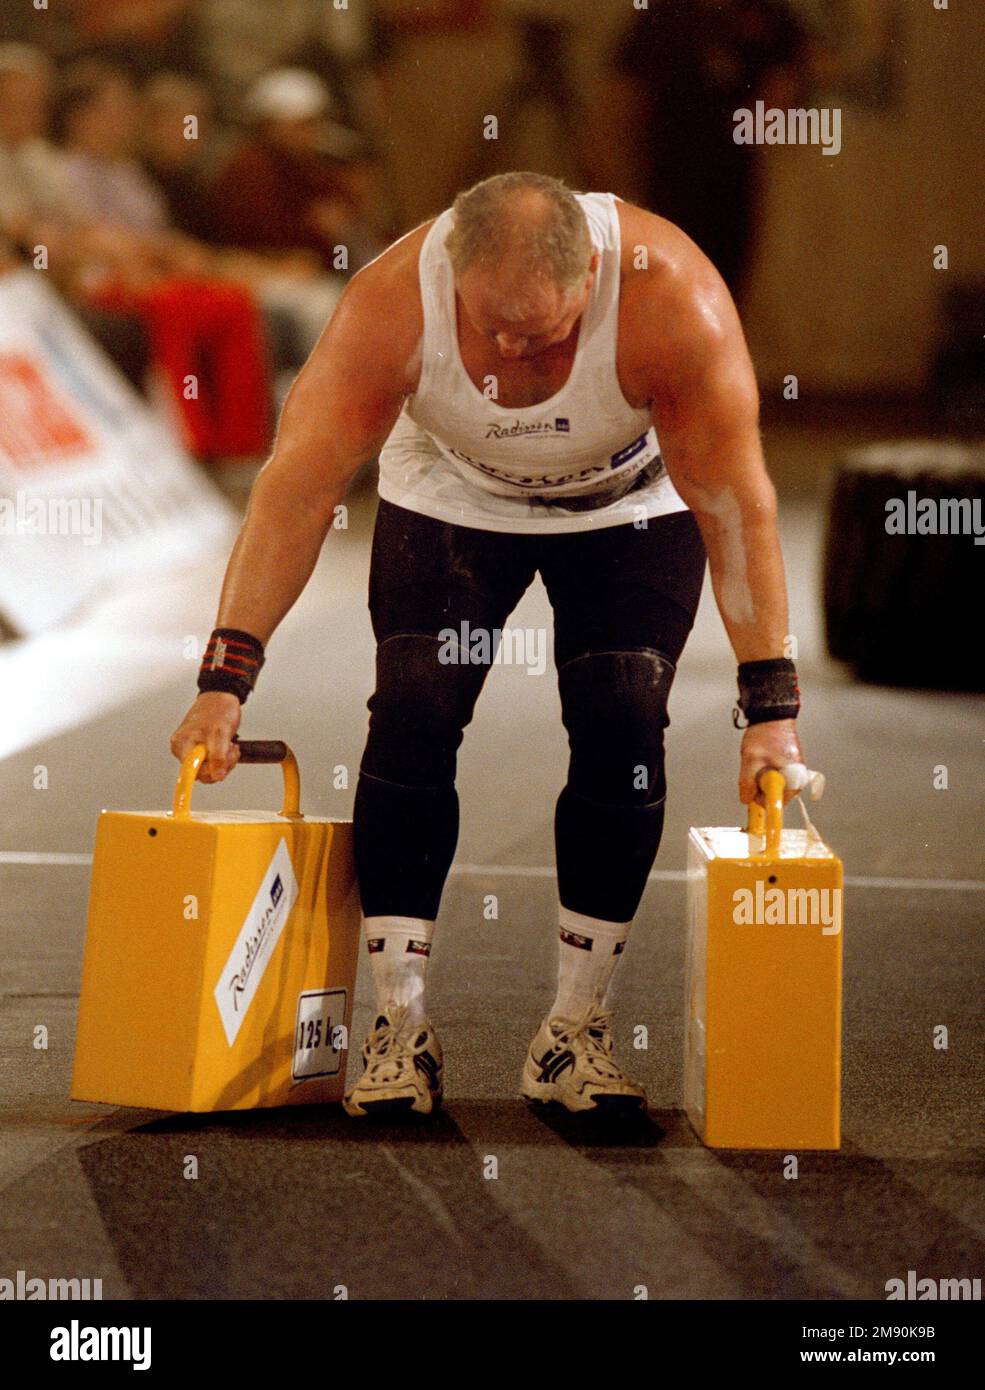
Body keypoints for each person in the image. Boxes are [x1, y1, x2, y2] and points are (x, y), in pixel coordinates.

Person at [170, 172, 809, 1120]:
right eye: (491, 331)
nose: (513, 354)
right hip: (451, 493)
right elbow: (296, 490)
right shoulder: (392, 302)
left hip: (629, 503)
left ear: (591, 275)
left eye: (541, 334)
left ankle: (574, 1034)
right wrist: (225, 680)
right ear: (451, 278)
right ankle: (397, 1031)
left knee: (623, 718)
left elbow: (733, 502)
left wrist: (773, 710)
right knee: (416, 708)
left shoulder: (673, 298)